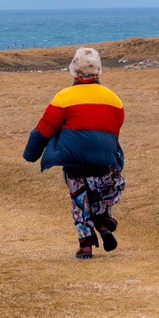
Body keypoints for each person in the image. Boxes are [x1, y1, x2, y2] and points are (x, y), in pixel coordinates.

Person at [23, 46, 125, 258]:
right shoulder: (113, 99)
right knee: (97, 196)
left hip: (74, 163)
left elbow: (44, 129)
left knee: (80, 199)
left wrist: (30, 155)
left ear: (73, 72)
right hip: (105, 162)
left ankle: (85, 245)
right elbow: (114, 130)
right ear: (99, 71)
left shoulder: (64, 97)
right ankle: (104, 224)